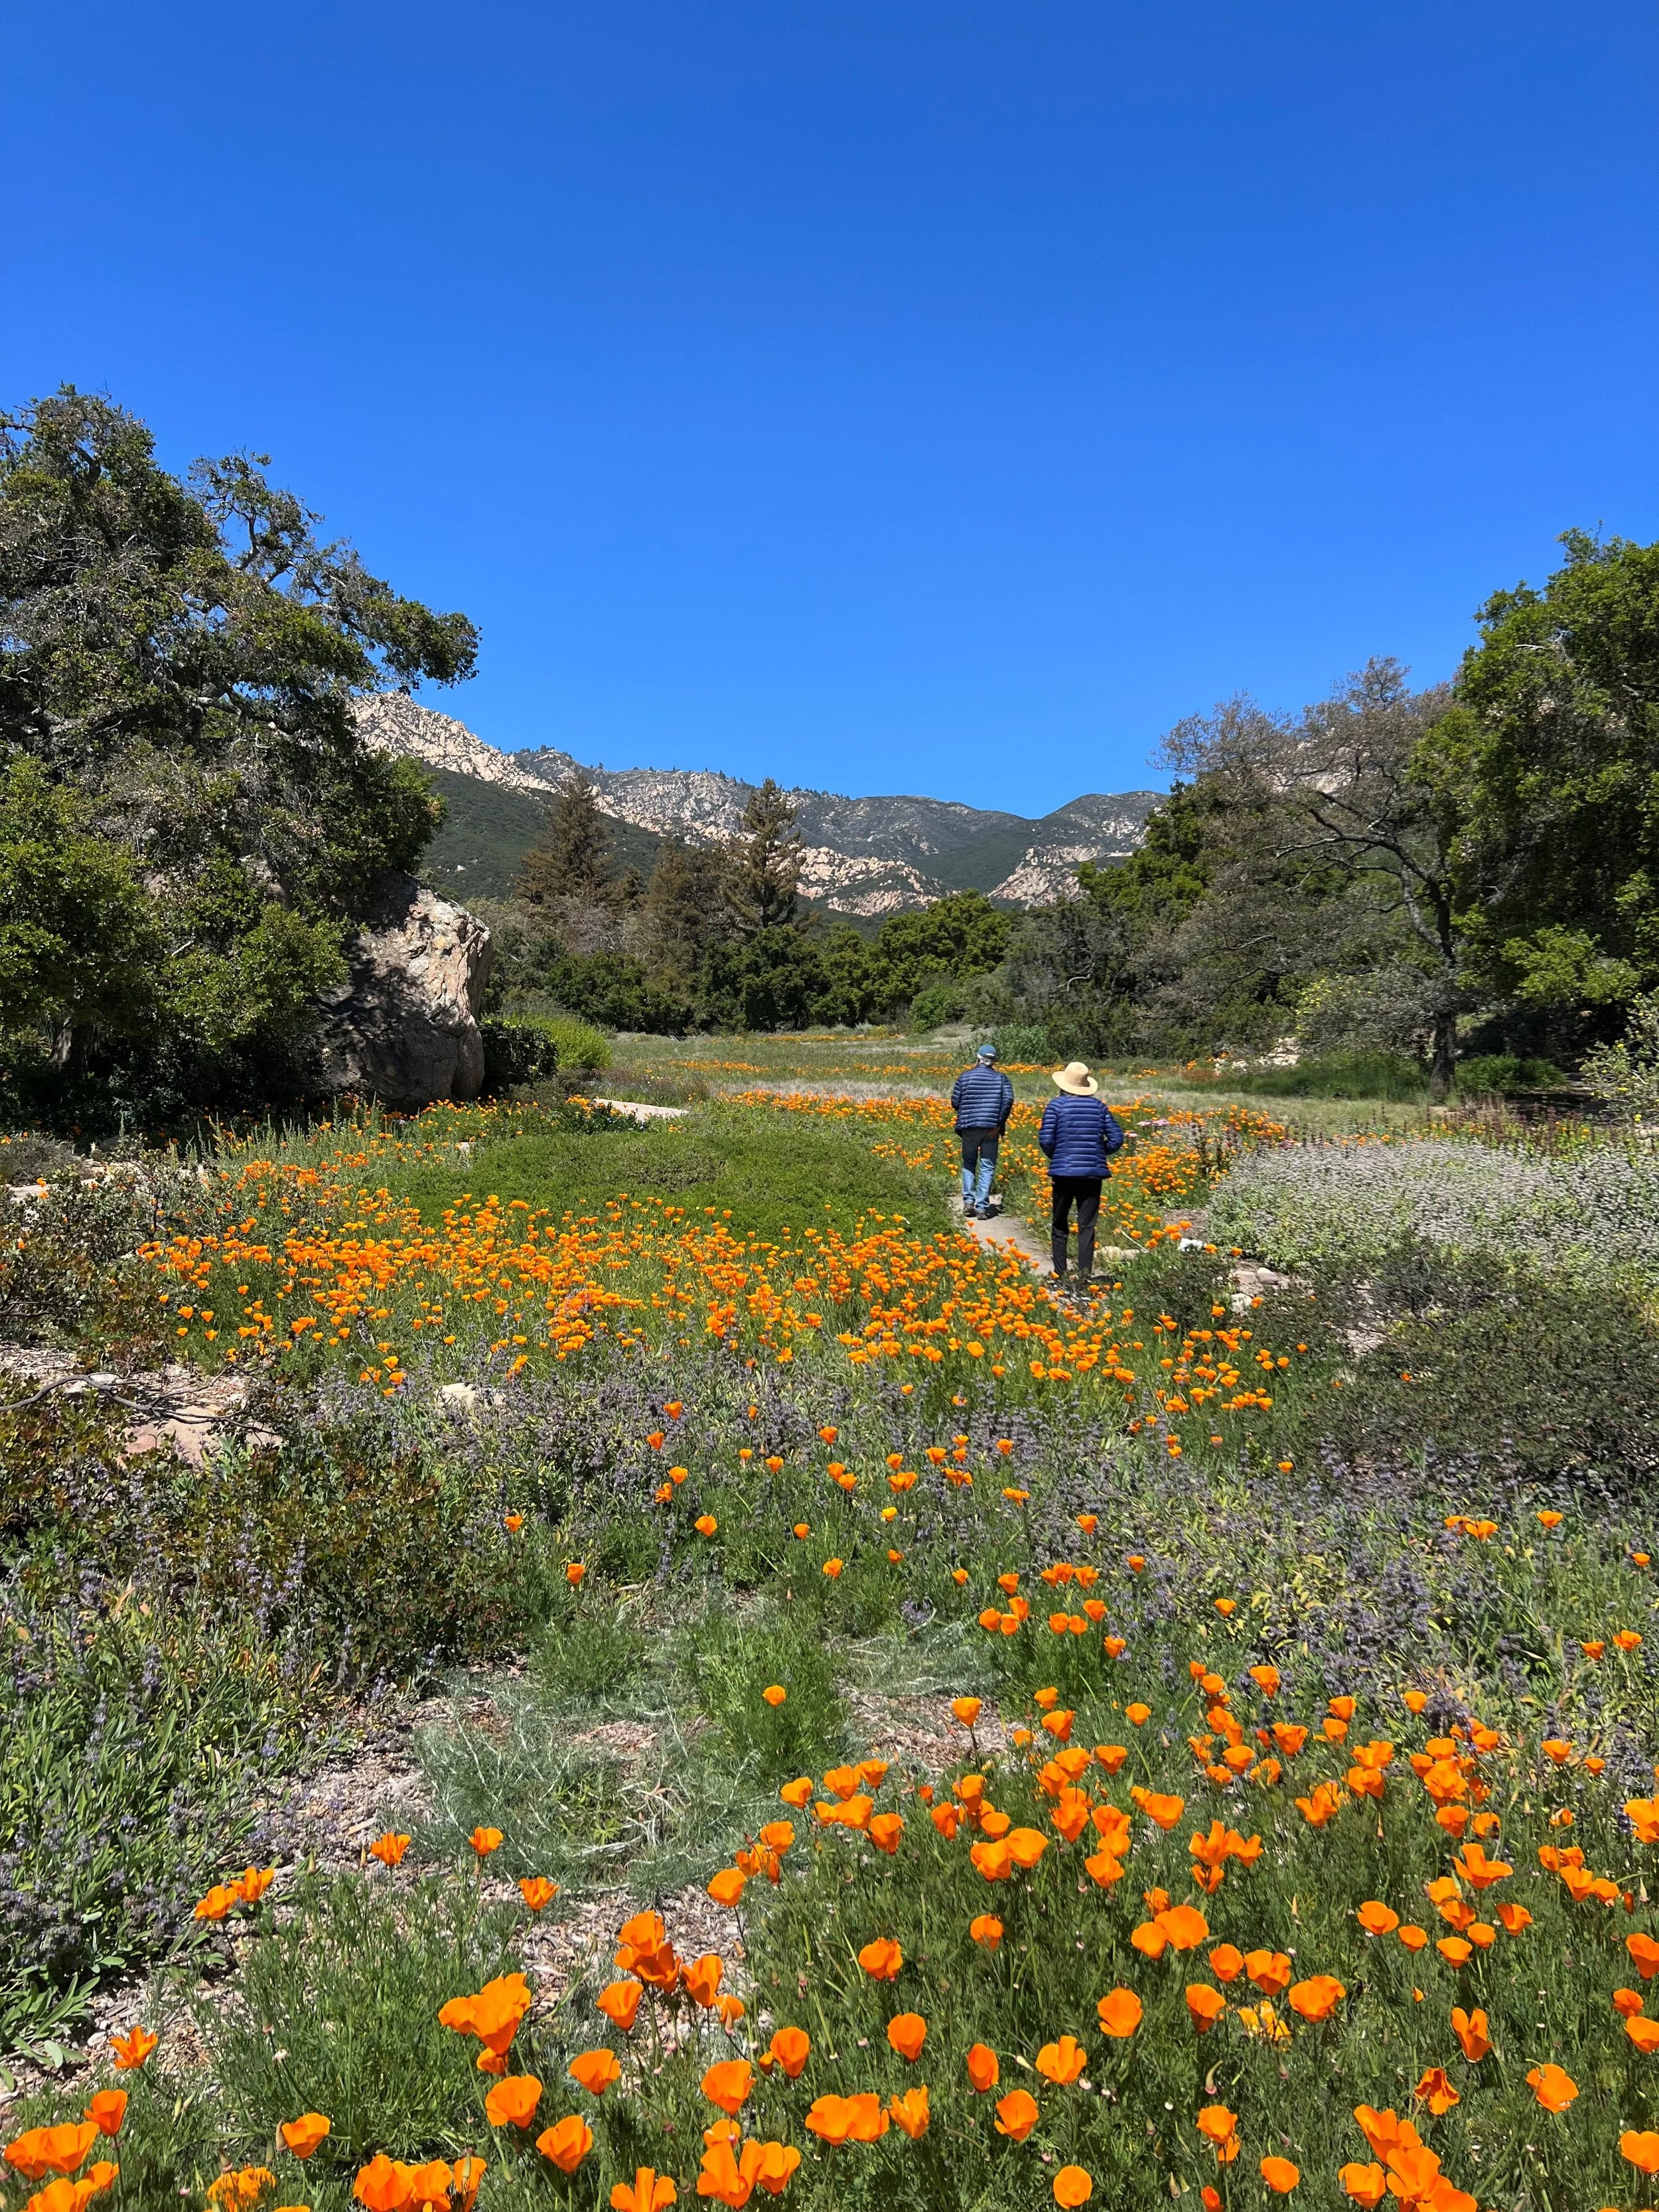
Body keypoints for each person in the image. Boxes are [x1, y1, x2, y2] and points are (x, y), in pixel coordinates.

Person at [1037, 1061, 1125, 1288]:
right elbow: (1117, 1138)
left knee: (1059, 1223)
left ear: (1063, 1084)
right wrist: (1099, 1152)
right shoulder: (1099, 1107)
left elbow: (1046, 1139)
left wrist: (1057, 1156)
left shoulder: (1056, 1106)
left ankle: (1060, 1275)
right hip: (1092, 1175)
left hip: (1063, 1174)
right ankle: (1085, 1278)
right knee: (1087, 1226)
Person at [949, 1041, 1014, 1219]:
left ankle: (968, 1202)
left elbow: (955, 1102)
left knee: (969, 1162)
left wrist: (968, 1113)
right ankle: (982, 1206)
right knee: (987, 1166)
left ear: (977, 1058)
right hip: (991, 1129)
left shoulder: (965, 1077)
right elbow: (1008, 1101)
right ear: (993, 1062)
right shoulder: (1001, 1079)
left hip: (969, 1128)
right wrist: (998, 1125)